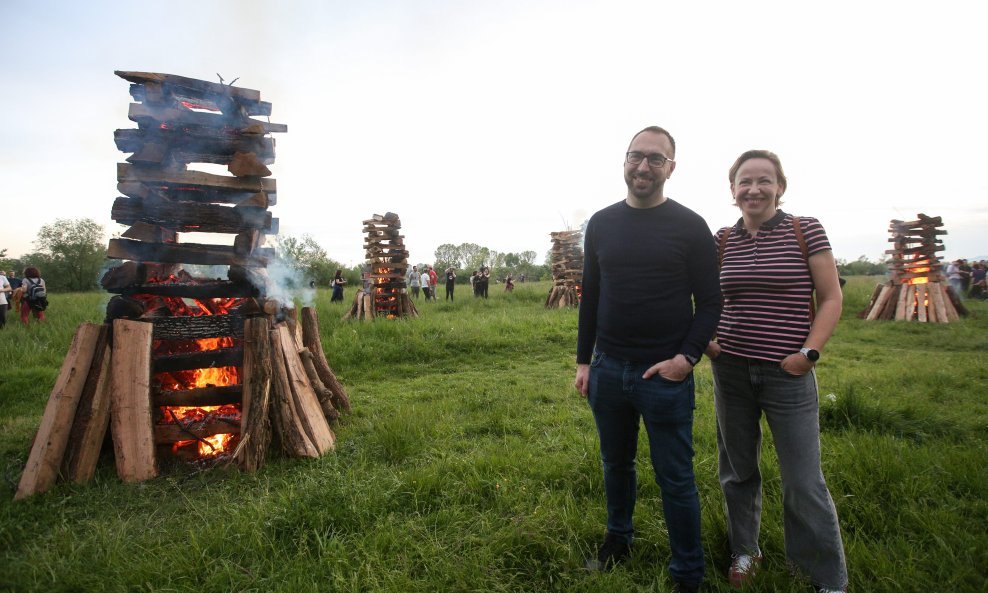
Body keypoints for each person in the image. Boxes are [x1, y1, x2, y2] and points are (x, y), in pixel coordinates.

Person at [574, 126, 721, 593]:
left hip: (665, 375)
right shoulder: (600, 223)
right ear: (624, 161)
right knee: (615, 464)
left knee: (675, 477)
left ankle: (687, 573)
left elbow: (712, 302)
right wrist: (584, 362)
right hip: (609, 368)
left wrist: (687, 359)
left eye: (655, 159)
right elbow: (591, 296)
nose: (643, 166)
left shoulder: (690, 226)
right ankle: (618, 540)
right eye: (636, 156)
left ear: (670, 169)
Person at [706, 150, 847, 593]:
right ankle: (745, 551)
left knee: (804, 480)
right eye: (744, 181)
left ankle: (825, 577)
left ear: (779, 186)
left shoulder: (806, 231)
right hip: (731, 371)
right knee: (737, 470)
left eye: (763, 180)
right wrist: (708, 341)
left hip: (788, 373)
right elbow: (706, 298)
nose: (753, 189)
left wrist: (809, 353)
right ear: (733, 190)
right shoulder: (722, 239)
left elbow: (830, 298)